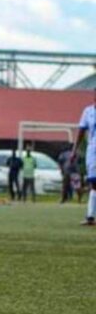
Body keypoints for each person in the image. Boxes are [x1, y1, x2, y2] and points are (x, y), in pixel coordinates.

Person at [72, 88, 96, 225]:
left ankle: (90, 216)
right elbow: (81, 132)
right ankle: (90, 217)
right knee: (94, 182)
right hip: (93, 151)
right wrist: (74, 150)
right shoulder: (88, 111)